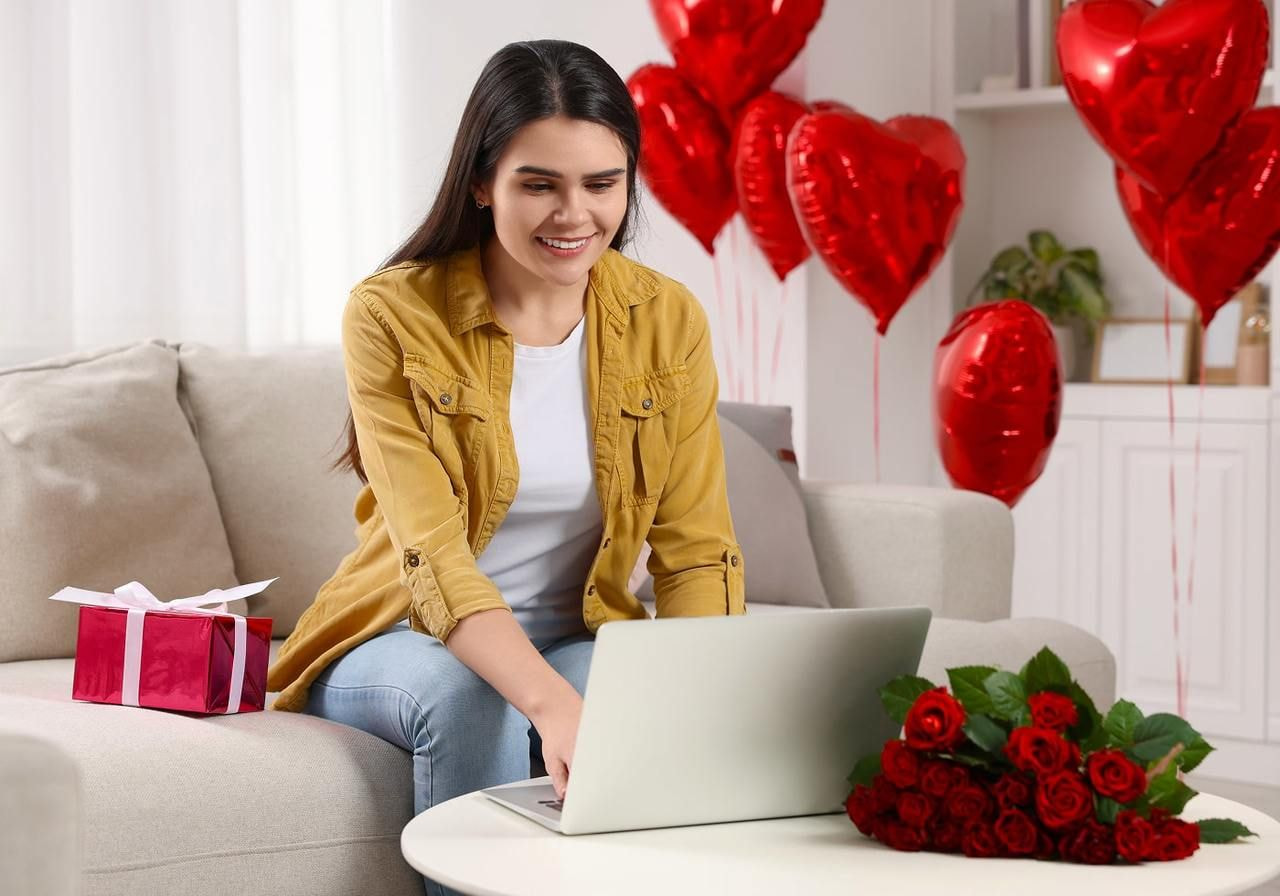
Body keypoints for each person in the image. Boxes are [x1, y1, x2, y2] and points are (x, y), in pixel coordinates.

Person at [265, 38, 746, 896]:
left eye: (602, 183)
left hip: (576, 630)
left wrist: (696, 691)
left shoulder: (668, 320)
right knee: (472, 695)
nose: (575, 214)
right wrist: (551, 704)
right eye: (540, 184)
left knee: (648, 708)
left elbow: (696, 549)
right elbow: (435, 561)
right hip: (401, 635)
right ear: (482, 183)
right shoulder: (391, 315)